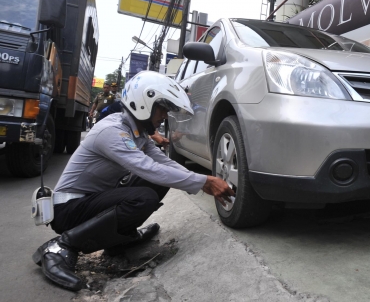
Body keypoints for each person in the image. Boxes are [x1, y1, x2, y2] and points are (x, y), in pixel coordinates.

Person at [32, 71, 234, 291]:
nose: (164, 116)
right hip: (68, 208)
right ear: (143, 103)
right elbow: (146, 167)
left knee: (159, 181)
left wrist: (202, 180)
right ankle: (60, 247)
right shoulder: (112, 131)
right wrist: (203, 181)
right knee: (143, 197)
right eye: (162, 108)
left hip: (92, 200)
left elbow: (164, 165)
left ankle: (119, 239)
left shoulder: (136, 132)